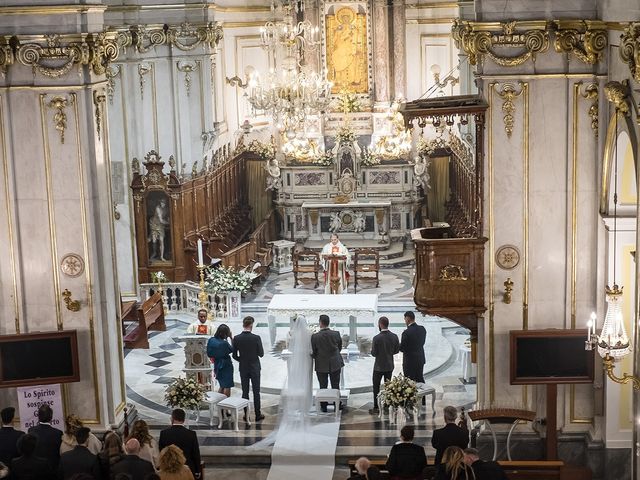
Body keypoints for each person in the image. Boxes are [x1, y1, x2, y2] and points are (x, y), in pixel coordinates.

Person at [232, 316, 265, 422]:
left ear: (243, 325)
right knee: (256, 392)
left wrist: (241, 360)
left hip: (243, 368)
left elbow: (234, 355)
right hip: (254, 367)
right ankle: (258, 414)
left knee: (245, 392)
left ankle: (246, 415)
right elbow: (261, 354)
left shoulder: (236, 338)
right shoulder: (256, 338)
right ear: (251, 325)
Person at [311, 314, 344, 412]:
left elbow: (314, 351)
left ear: (320, 323)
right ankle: (337, 404)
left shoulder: (315, 336)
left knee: (323, 385)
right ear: (328, 322)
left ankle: (324, 405)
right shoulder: (336, 334)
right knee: (335, 385)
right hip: (335, 362)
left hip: (321, 364)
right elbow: (339, 347)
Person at [369, 316, 400, 415]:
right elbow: (396, 350)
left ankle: (376, 407)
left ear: (380, 324)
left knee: (376, 387)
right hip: (389, 365)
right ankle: (387, 405)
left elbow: (374, 353)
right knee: (388, 387)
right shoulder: (394, 336)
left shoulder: (376, 338)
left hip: (378, 367)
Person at [158, 409, 200, 479]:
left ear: (172, 418)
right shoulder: (191, 434)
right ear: (184, 419)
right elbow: (195, 454)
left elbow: (161, 452)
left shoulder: (164, 433)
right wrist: (197, 470)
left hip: (168, 469)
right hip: (187, 469)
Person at [27, 404, 63, 470]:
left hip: (35, 469)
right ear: (51, 417)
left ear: (38, 417)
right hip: (52, 470)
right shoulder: (58, 433)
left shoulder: (31, 430)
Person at [206, 324, 234, 397]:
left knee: (222, 385)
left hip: (217, 364)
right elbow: (232, 349)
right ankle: (225, 405)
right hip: (226, 365)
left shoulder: (211, 340)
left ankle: (219, 404)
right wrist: (231, 338)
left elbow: (209, 353)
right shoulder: (224, 343)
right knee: (227, 386)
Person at [399, 311, 426, 383]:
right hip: (420, 359)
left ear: (408, 318)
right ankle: (423, 394)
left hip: (409, 362)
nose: (405, 321)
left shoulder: (406, 332)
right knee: (420, 379)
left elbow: (402, 348)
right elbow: (422, 343)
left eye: (405, 319)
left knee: (409, 383)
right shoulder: (422, 329)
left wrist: (398, 345)